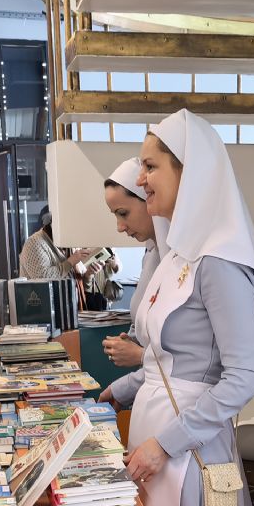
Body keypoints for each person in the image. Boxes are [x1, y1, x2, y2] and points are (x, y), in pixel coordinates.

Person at [98, 109, 254, 506]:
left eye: (151, 166)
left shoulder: (220, 262)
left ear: (188, 171)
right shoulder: (177, 255)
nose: (140, 178)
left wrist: (165, 444)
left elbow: (244, 375)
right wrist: (122, 391)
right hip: (156, 442)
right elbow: (166, 360)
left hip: (189, 452)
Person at [100, 157, 167, 369]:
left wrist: (141, 355)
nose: (120, 227)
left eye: (123, 213)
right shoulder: (151, 253)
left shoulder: (190, 259)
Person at [19, 209, 116, 309]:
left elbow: (80, 285)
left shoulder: (69, 245)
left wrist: (89, 274)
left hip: (70, 311)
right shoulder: (35, 243)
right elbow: (42, 280)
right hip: (42, 312)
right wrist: (71, 261)